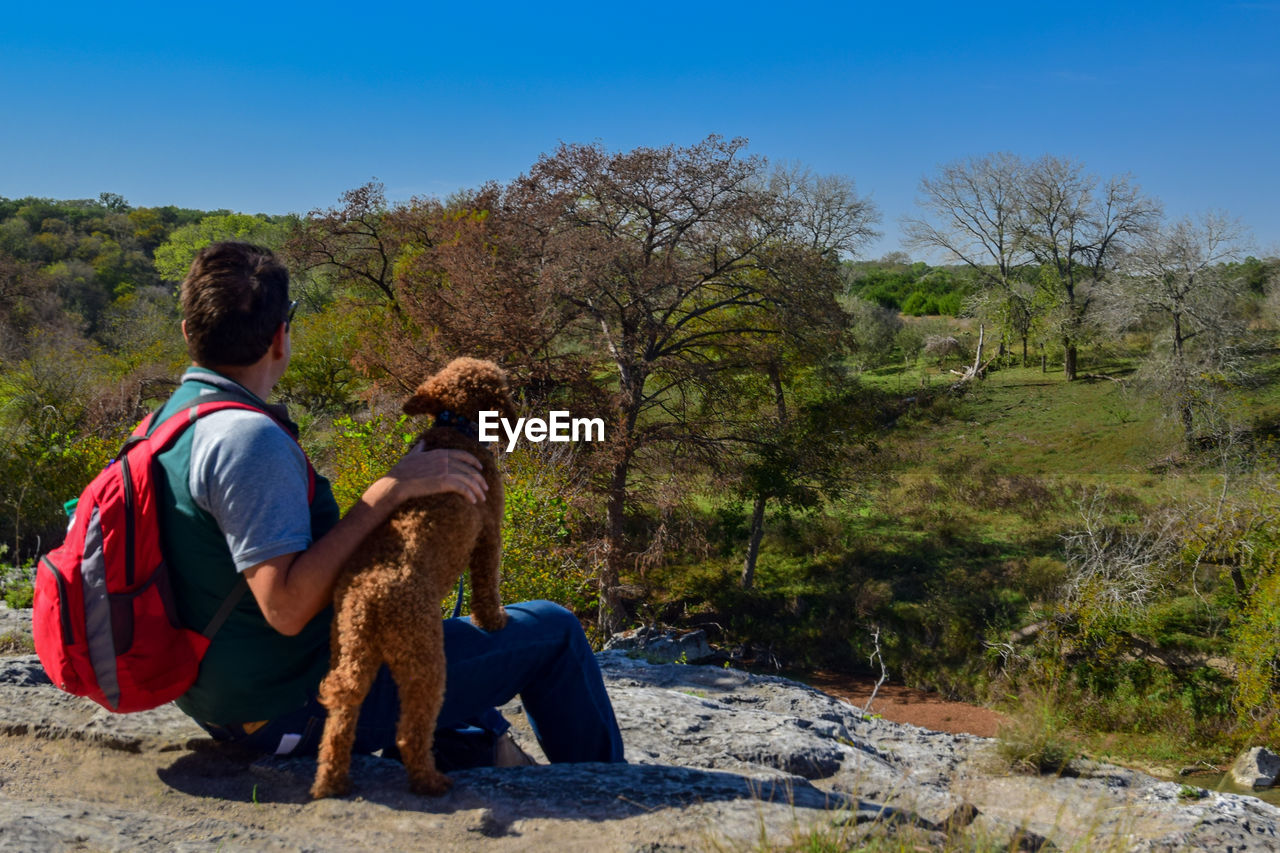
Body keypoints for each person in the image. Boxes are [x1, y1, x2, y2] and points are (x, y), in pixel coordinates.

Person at [153, 240, 624, 769]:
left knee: (463, 687)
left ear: (189, 332)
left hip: (221, 694)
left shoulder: (170, 423)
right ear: (281, 338)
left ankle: (481, 752)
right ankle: (609, 794)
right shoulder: (249, 441)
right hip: (293, 707)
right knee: (554, 629)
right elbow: (284, 608)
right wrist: (388, 491)